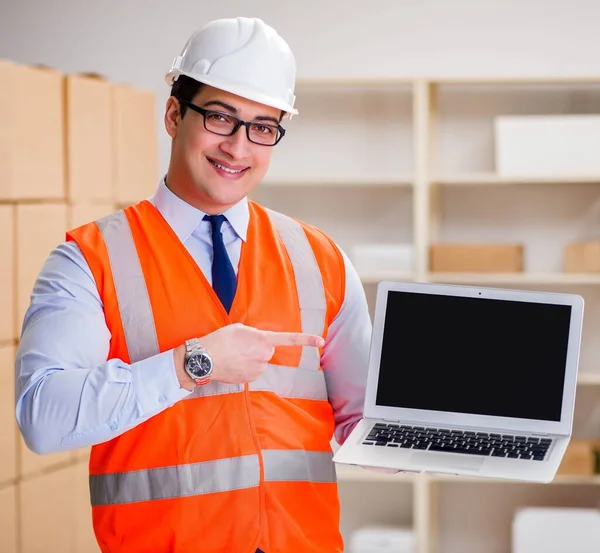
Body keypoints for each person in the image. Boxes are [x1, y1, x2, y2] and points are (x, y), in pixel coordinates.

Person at [15, 16, 374, 553]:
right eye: (220, 118)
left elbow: (358, 418)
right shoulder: (90, 261)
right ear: (173, 114)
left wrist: (423, 434)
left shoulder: (322, 260)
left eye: (262, 127)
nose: (238, 147)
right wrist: (189, 365)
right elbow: (43, 417)